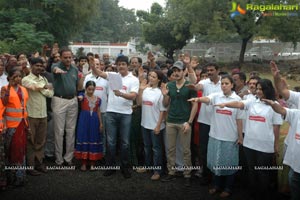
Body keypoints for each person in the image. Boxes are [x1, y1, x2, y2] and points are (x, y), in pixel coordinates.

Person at [215, 78, 283, 200]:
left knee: (263, 173)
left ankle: (263, 195)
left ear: (268, 90)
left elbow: (276, 127)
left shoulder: (275, 106)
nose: (258, 91)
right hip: (249, 145)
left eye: (261, 89)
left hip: (265, 147)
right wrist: (226, 104)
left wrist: (276, 145)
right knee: (252, 172)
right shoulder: (252, 101)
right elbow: (239, 104)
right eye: (257, 89)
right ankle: (253, 193)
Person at [188, 75, 243, 197]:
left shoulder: (238, 100)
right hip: (214, 135)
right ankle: (216, 185)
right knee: (215, 162)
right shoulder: (216, 96)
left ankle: (228, 188)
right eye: (222, 83)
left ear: (232, 85)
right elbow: (207, 99)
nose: (223, 86)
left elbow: (239, 121)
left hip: (229, 137)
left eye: (226, 83)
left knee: (229, 163)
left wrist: (240, 137)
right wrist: (197, 100)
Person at [90, 55, 139, 178]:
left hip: (126, 114)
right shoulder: (112, 76)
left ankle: (124, 167)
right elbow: (98, 72)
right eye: (119, 64)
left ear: (127, 65)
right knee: (110, 142)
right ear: (116, 65)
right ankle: (110, 167)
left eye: (123, 64)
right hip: (111, 112)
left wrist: (120, 94)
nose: (121, 66)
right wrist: (92, 64)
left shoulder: (133, 79)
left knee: (125, 143)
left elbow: (133, 96)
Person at [161, 61, 198, 187]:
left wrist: (189, 122)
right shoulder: (169, 85)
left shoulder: (189, 86)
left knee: (186, 150)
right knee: (170, 149)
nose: (176, 73)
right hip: (171, 121)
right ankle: (171, 172)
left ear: (184, 72)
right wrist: (165, 95)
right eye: (174, 71)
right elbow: (165, 104)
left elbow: (195, 105)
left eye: (178, 70)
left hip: (184, 122)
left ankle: (187, 174)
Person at [186, 63, 222, 185]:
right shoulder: (205, 82)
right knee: (203, 150)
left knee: (217, 150)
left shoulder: (224, 82)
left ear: (218, 70)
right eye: (208, 70)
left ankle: (218, 177)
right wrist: (188, 66)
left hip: (219, 122)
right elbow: (197, 87)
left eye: (212, 70)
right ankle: (206, 176)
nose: (210, 72)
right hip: (205, 121)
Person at [262, 99, 300, 200]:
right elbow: (282, 110)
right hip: (295, 159)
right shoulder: (296, 114)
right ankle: (283, 187)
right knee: (292, 180)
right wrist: (274, 104)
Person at [22, 58, 54, 175]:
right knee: (31, 141)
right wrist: (43, 87)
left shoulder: (44, 78)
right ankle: (30, 167)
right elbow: (34, 86)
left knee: (41, 141)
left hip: (43, 114)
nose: (40, 68)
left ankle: (39, 164)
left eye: (41, 66)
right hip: (31, 115)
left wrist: (42, 87)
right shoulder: (25, 79)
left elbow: (50, 93)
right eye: (37, 66)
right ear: (31, 66)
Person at [51, 48, 82, 166]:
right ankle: (58, 159)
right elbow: (54, 69)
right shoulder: (56, 65)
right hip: (59, 100)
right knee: (59, 131)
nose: (68, 59)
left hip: (73, 101)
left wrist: (82, 77)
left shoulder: (75, 69)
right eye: (65, 57)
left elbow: (79, 87)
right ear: (61, 58)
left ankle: (68, 158)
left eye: (70, 57)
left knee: (71, 130)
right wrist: (57, 70)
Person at [137, 70, 167, 180]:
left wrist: (158, 125)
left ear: (159, 79)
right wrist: (140, 90)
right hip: (145, 123)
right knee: (147, 147)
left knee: (156, 149)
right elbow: (139, 103)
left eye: (154, 77)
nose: (151, 78)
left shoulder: (160, 92)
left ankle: (158, 171)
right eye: (150, 75)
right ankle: (148, 166)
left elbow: (162, 111)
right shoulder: (146, 90)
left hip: (155, 125)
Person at [1, 68, 29, 186]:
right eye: (15, 76)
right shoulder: (4, 89)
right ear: (9, 77)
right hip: (10, 126)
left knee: (21, 151)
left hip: (22, 124)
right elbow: (2, 108)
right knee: (11, 152)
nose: (18, 78)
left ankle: (20, 177)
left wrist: (28, 124)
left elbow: (24, 108)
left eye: (19, 76)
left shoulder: (23, 89)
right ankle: (11, 177)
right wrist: (4, 124)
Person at [75, 81, 103, 171]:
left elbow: (98, 111)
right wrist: (80, 96)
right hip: (84, 121)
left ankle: (92, 163)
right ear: (86, 88)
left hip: (94, 121)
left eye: (93, 89)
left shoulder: (98, 99)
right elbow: (80, 97)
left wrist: (101, 123)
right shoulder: (83, 96)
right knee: (84, 138)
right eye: (89, 89)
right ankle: (83, 163)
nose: (91, 91)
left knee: (93, 138)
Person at [83, 58, 108, 156]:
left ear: (101, 66)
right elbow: (82, 90)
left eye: (98, 64)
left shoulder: (106, 78)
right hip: (89, 112)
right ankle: (89, 154)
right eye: (94, 64)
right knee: (90, 134)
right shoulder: (87, 77)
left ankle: (102, 155)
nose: (96, 66)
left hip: (103, 111)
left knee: (102, 135)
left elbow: (109, 95)